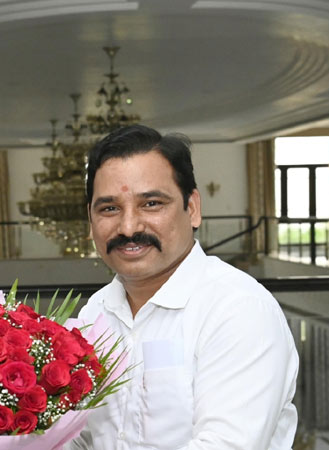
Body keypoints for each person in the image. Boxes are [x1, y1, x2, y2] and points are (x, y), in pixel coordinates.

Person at [74, 124, 298, 449]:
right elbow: (86, 437)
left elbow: (224, 445)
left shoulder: (237, 309)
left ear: (191, 209)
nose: (128, 227)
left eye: (151, 204)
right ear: (91, 219)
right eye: (109, 208)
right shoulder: (96, 312)